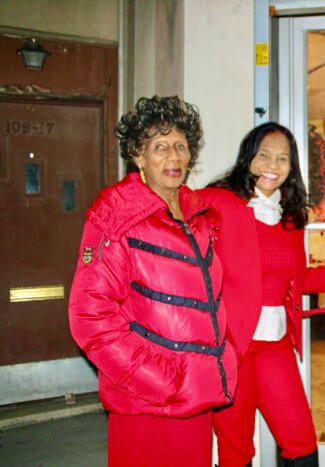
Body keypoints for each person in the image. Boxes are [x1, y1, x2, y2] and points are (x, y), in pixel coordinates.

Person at [68, 96, 237, 466]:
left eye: (180, 146)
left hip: (196, 398)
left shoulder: (198, 218)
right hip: (146, 404)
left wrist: (220, 361)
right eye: (159, 147)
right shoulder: (115, 216)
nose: (173, 158)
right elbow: (89, 318)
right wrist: (161, 381)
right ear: (137, 155)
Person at [199, 122, 325, 467]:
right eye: (264, 155)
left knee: (301, 440)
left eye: (282, 158)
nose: (272, 165)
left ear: (291, 167)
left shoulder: (291, 218)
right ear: (248, 158)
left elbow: (301, 278)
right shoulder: (217, 203)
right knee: (235, 449)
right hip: (232, 348)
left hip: (276, 347)